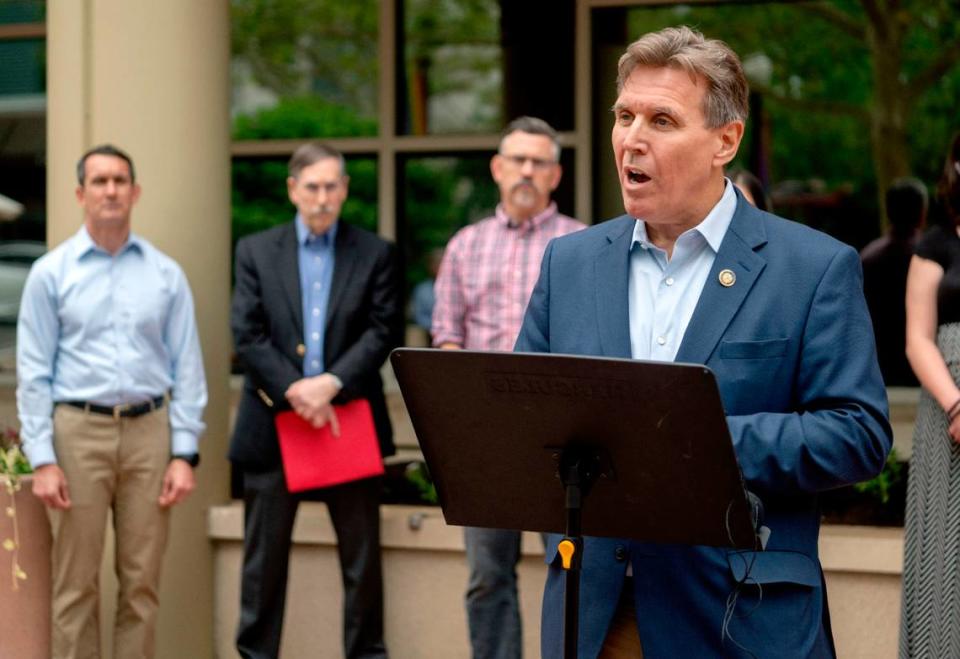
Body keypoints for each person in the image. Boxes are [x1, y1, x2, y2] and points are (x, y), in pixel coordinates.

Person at [514, 27, 891, 658]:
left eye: (662, 120)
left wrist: (701, 439)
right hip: (600, 617)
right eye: (625, 116)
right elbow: (524, 425)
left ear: (726, 140)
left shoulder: (813, 266)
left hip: (741, 616)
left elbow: (858, 434)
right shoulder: (569, 263)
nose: (633, 137)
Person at [16, 144, 207, 659]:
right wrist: (44, 458)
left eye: (120, 181)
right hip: (78, 433)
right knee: (75, 585)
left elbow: (187, 367)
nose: (111, 190)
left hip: (150, 432)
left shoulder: (166, 275)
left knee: (141, 584)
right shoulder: (50, 274)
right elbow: (33, 372)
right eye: (99, 182)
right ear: (81, 194)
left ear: (135, 192)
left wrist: (184, 454)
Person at [230, 142, 403, 659]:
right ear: (292, 190)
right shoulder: (256, 251)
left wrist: (330, 383)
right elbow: (246, 331)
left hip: (347, 421)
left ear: (345, 190)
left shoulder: (376, 252)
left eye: (332, 187)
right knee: (262, 567)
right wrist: (295, 388)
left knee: (362, 563)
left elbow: (383, 330)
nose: (322, 197)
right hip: (272, 427)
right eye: (312, 187)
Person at [431, 115, 584, 659]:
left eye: (538, 162)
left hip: (561, 443)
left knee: (570, 572)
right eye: (516, 160)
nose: (526, 171)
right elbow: (447, 339)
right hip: (486, 442)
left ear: (555, 175)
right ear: (497, 169)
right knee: (487, 578)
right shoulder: (465, 247)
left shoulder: (583, 245)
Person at [899, 131, 960, 657]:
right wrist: (956, 404)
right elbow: (918, 337)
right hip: (950, 420)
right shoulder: (937, 242)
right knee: (947, 557)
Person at [861, 177, 928, 386]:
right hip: (924, 368)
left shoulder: (868, 257)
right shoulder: (932, 259)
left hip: (878, 366)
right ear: (922, 212)